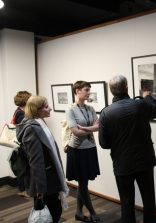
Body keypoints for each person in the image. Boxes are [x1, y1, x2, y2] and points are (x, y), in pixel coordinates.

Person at [99, 75, 156, 223]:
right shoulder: (140, 105)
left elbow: (104, 144)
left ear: (111, 91)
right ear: (126, 88)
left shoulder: (106, 113)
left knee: (126, 202)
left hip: (122, 164)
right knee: (149, 200)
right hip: (144, 161)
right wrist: (147, 97)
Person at [16, 95, 69, 222]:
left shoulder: (40, 123)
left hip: (50, 176)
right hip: (45, 180)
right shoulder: (32, 128)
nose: (50, 109)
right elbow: (36, 161)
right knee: (53, 212)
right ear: (36, 109)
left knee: (54, 210)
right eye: (46, 107)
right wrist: (40, 188)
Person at [66, 81, 100, 222]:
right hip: (77, 150)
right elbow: (75, 131)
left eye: (89, 90)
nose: (88, 92)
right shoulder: (70, 110)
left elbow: (98, 125)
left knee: (83, 183)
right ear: (77, 90)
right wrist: (91, 128)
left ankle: (79, 212)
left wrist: (86, 129)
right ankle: (92, 212)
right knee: (83, 183)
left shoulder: (90, 108)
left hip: (90, 148)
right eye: (86, 90)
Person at [12, 91, 31, 197]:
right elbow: (22, 129)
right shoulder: (20, 112)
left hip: (23, 143)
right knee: (24, 167)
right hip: (23, 144)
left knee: (24, 167)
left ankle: (24, 189)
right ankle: (23, 190)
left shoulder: (19, 111)